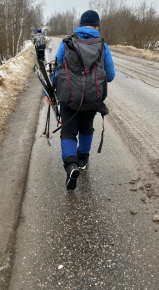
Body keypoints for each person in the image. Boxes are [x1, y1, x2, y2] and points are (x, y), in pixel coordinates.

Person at [45, 10, 115, 191]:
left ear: (81, 24)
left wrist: (51, 93)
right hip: (92, 98)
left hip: (69, 97)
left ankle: (71, 165)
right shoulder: (102, 45)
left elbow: (57, 70)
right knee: (86, 127)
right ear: (97, 26)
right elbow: (110, 76)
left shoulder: (67, 42)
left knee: (68, 131)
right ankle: (82, 160)